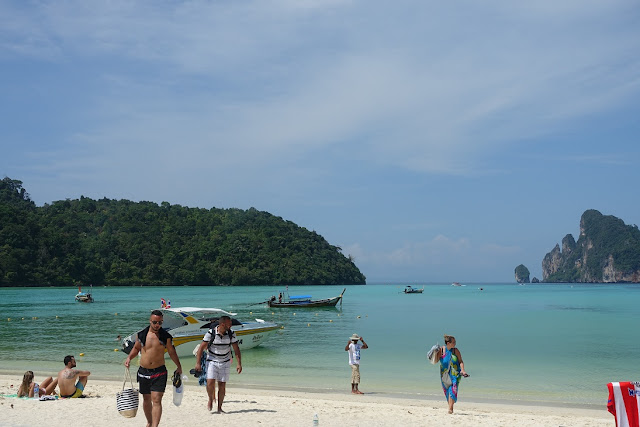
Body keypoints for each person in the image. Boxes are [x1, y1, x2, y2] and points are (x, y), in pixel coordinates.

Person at [124, 310, 182, 427]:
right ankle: (150, 422)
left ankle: (155, 425)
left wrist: (179, 366)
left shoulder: (165, 336)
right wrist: (129, 358)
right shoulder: (141, 335)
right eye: (155, 322)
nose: (157, 325)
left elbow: (171, 352)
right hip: (143, 372)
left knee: (156, 399)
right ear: (150, 321)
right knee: (146, 399)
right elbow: (136, 348)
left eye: (160, 322)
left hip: (159, 372)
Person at [195, 315, 242, 413]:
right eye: (229, 324)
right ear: (222, 324)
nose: (231, 325)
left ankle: (219, 408)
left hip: (225, 361)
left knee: (222, 385)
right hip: (212, 360)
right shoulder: (210, 333)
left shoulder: (231, 333)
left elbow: (236, 349)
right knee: (210, 382)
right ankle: (210, 398)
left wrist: (239, 364)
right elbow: (201, 348)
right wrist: (198, 363)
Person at [439, 334, 469, 414]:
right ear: (448, 343)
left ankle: (450, 409)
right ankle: (450, 407)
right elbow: (435, 360)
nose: (455, 343)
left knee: (453, 389)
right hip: (444, 374)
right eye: (453, 342)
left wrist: (463, 370)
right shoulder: (441, 350)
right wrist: (433, 353)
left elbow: (460, 361)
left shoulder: (455, 350)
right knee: (447, 391)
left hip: (455, 374)